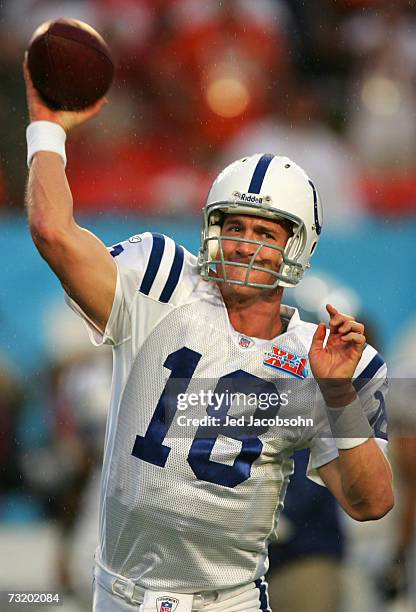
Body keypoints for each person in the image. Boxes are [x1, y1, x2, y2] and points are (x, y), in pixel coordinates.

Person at [23, 60, 393, 612]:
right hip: (117, 592)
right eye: (232, 225)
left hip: (228, 601)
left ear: (299, 246)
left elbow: (369, 503)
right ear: (208, 227)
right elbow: (54, 232)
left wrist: (339, 396)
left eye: (265, 232)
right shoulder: (163, 283)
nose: (244, 245)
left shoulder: (324, 358)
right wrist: (47, 127)